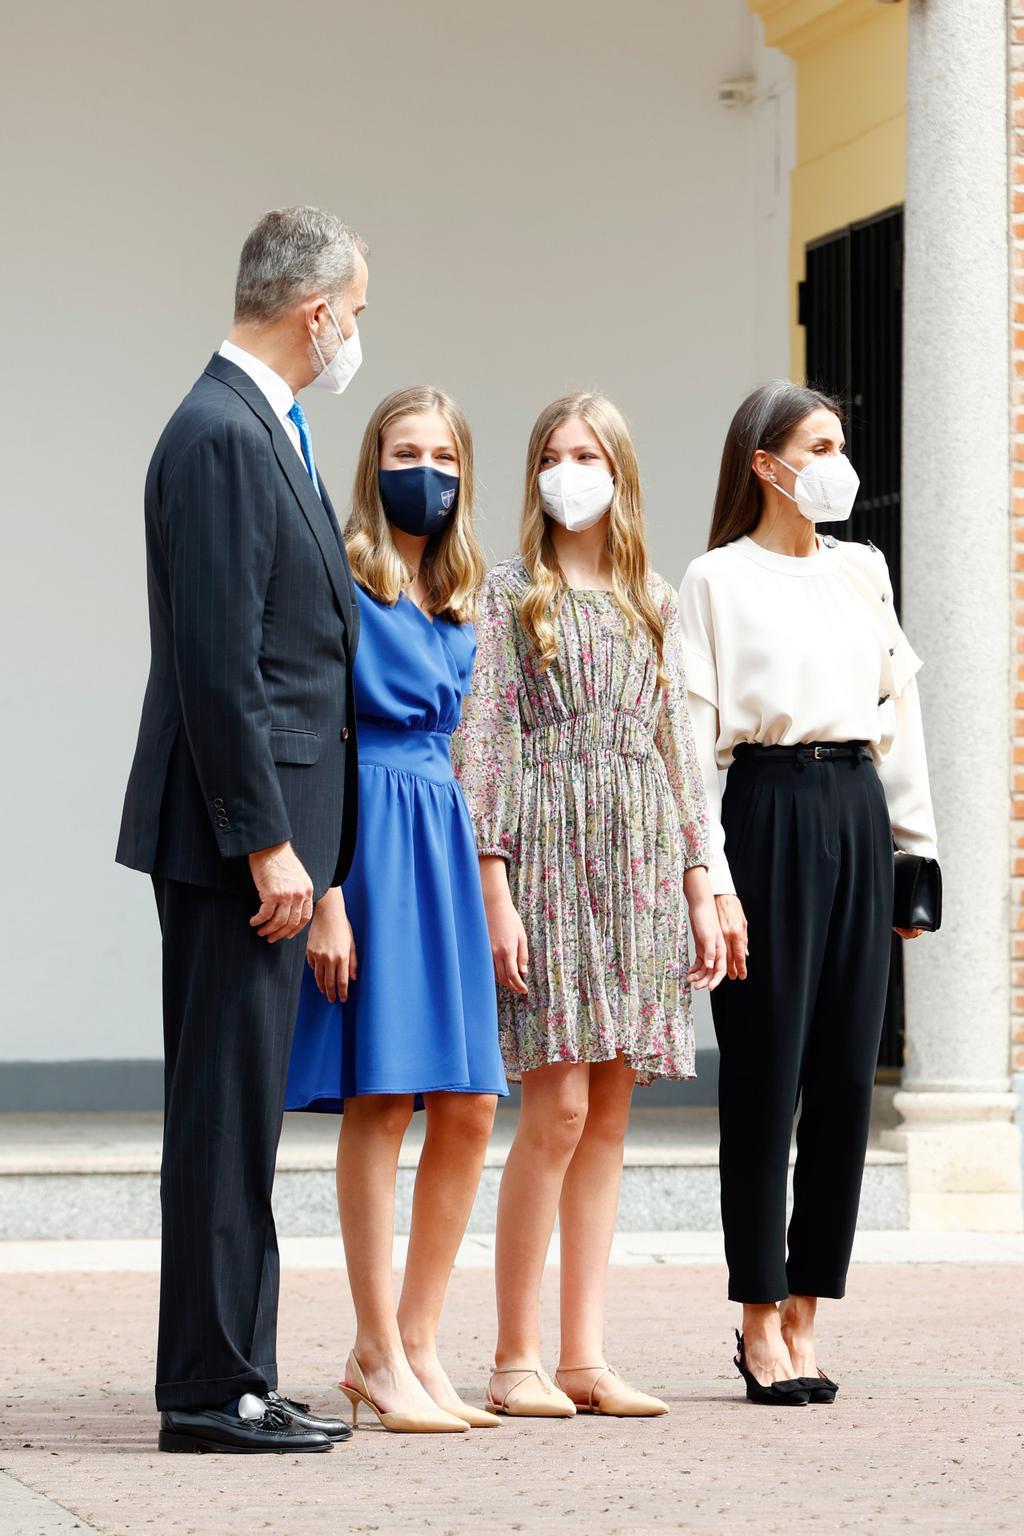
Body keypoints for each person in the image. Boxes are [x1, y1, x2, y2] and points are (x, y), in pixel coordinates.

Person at [116, 207, 368, 1453]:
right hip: (235, 845)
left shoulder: (261, 425)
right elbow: (221, 662)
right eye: (356, 311)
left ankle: (243, 1372)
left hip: (265, 836)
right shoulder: (222, 434)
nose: (356, 334)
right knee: (222, 1119)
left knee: (245, 1115)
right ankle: (210, 1392)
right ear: (314, 310)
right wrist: (270, 841)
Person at [454, 392, 724, 1419]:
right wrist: (495, 887)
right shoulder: (506, 598)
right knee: (556, 1107)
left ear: (619, 471)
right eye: (552, 455)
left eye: (587, 453)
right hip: (548, 861)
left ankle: (583, 1355)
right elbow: (482, 744)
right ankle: (512, 1355)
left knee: (608, 1114)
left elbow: (679, 758)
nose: (569, 470)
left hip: (642, 860)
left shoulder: (650, 600)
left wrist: (702, 884)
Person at [679, 381, 938, 1406]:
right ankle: (754, 1316)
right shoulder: (713, 580)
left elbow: (898, 713)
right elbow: (691, 744)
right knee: (764, 1075)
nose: (837, 461)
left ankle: (806, 1314)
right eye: (818, 444)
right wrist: (712, 876)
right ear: (765, 463)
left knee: (841, 1082)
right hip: (767, 808)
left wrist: (914, 860)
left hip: (857, 808)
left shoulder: (863, 569)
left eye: (840, 441)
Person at [287, 387, 508, 1435]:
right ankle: (374, 1349)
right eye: (406, 450)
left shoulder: (462, 595)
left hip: (443, 840)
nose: (427, 469)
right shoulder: (343, 578)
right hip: (367, 831)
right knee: (382, 1096)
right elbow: (317, 734)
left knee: (466, 1102)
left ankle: (420, 1339)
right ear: (373, 462)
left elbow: (473, 746)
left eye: (444, 454)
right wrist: (327, 892)